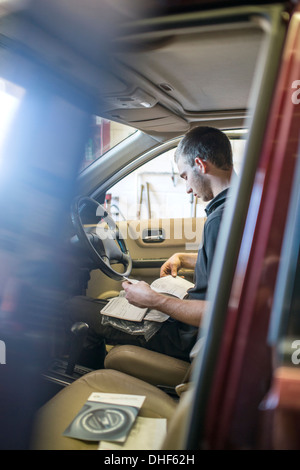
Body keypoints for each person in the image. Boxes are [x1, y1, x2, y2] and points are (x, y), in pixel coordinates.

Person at [65, 126, 234, 365]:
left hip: (187, 335)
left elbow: (218, 314)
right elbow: (231, 265)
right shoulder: (241, 204)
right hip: (191, 324)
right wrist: (184, 258)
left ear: (201, 165)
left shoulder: (221, 218)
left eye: (185, 176)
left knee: (75, 307)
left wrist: (154, 300)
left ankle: (83, 381)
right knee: (114, 300)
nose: (187, 188)